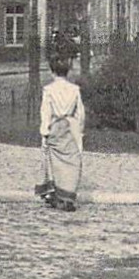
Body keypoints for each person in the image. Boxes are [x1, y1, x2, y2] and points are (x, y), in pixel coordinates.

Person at [36, 54, 86, 212]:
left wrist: (44, 132)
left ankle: (55, 193)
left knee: (53, 159)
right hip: (71, 126)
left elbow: (46, 112)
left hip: (55, 125)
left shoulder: (49, 90)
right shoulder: (74, 89)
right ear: (68, 72)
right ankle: (68, 194)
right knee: (72, 160)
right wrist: (80, 129)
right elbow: (80, 113)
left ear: (52, 72)